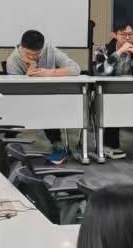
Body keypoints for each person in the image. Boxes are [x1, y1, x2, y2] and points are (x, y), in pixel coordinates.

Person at [8, 28, 82, 163]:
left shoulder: (50, 50)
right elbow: (15, 91)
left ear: (42, 49)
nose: (32, 57)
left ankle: (58, 146)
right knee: (11, 112)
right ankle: (9, 146)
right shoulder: (13, 59)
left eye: (36, 54)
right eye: (28, 54)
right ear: (21, 47)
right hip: (23, 100)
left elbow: (75, 69)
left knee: (48, 106)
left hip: (48, 98)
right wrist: (30, 69)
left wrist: (49, 73)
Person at [92, 19, 133, 158]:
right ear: (114, 35)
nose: (127, 38)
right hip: (109, 92)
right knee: (111, 105)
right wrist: (118, 52)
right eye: (123, 34)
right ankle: (110, 145)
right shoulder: (103, 50)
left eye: (131, 34)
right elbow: (101, 72)